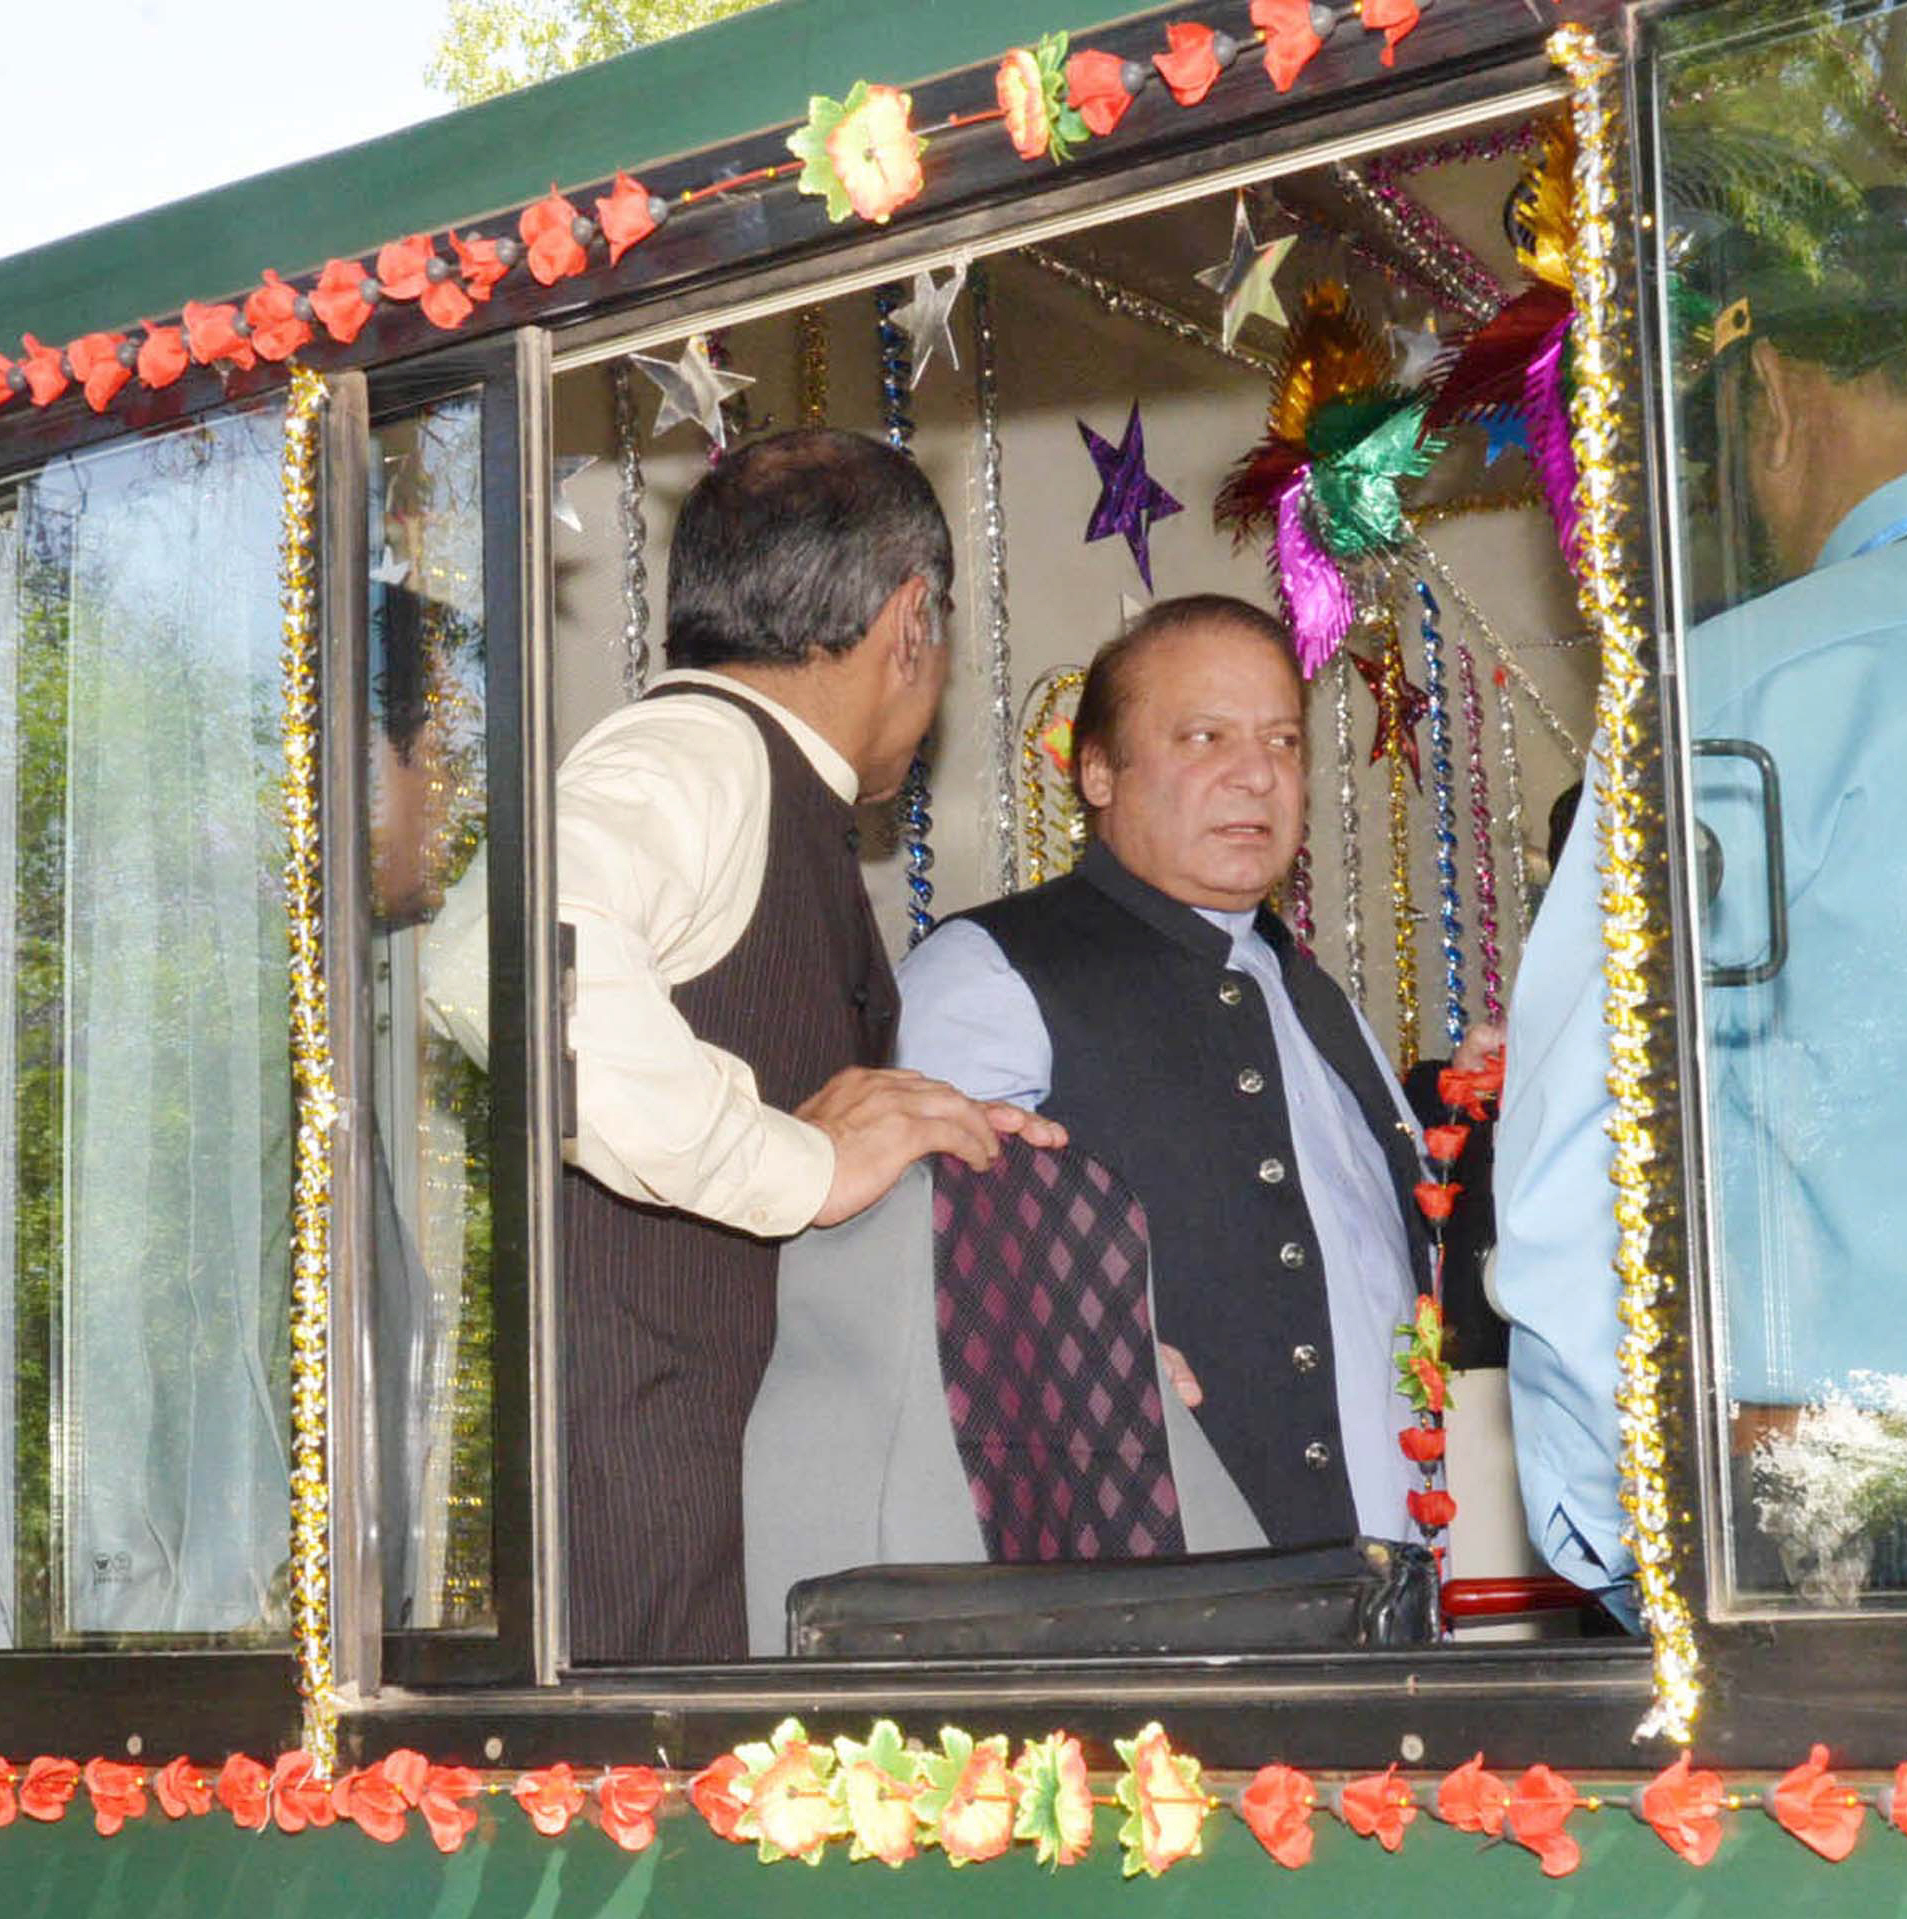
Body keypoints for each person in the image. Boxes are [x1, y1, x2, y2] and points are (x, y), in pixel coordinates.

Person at [1497, 159, 1907, 1613]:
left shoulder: (1741, 691)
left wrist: (1637, 1549)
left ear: (1770, 402)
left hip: (1856, 1525)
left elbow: (1591, 1175)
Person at [553, 427, 1059, 1663]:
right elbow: (515, 963)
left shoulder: (759, 779)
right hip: (656, 1550)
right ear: (909, 625)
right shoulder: (696, 751)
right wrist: (793, 1164)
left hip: (738, 1530)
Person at [893, 595, 1445, 1549]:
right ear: (1098, 770)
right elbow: (950, 1294)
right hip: (1160, 1601)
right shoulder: (991, 970)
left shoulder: (1309, 991)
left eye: (1280, 741)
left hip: (1388, 1588)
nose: (1254, 776)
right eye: (1204, 737)